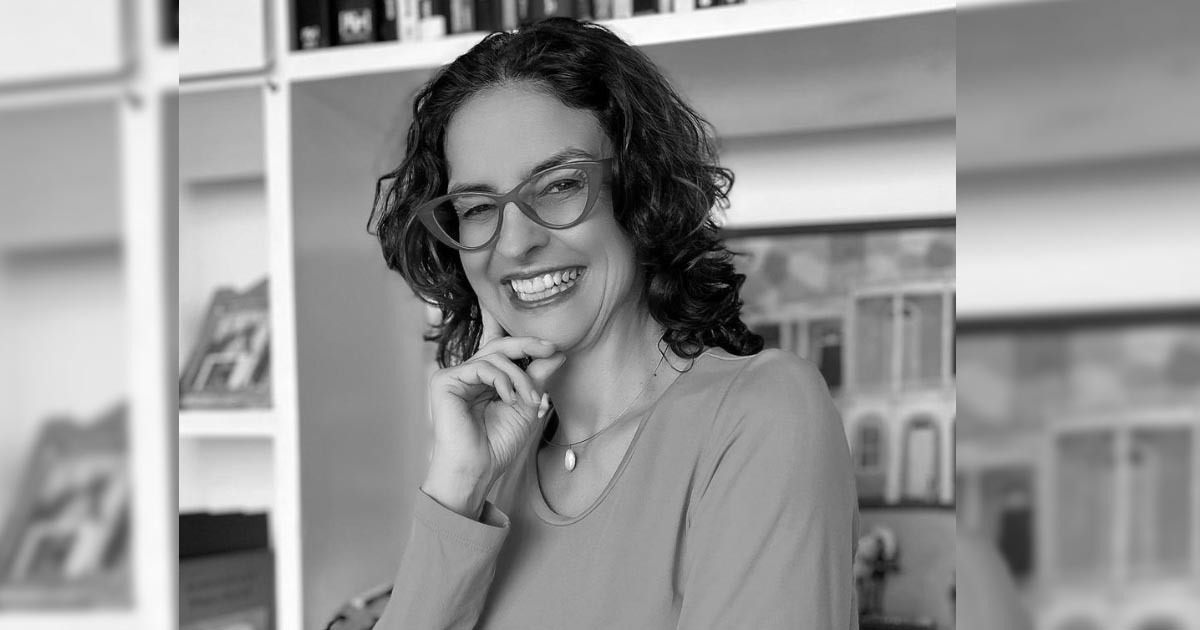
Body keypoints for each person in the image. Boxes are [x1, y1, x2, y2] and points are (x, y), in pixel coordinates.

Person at [368, 17, 859, 629]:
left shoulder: (761, 413)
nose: (515, 242)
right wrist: (457, 486)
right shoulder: (491, 471)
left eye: (559, 185)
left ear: (639, 191)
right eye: (477, 207)